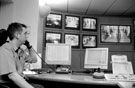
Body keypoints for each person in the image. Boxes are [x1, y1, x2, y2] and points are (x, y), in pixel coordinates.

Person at [0, 22, 44, 88]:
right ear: (17, 35)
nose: (27, 36)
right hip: (8, 85)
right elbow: (13, 76)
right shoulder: (5, 50)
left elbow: (34, 60)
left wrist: (29, 46)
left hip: (16, 83)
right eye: (25, 33)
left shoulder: (20, 51)